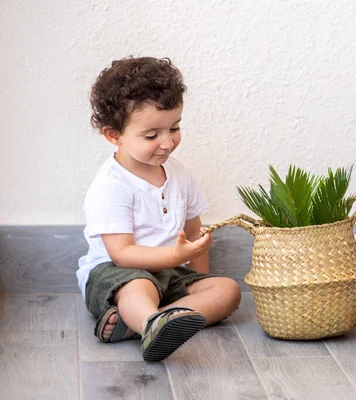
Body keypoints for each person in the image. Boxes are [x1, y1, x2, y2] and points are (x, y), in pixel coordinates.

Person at [78, 56, 241, 362]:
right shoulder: (112, 185)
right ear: (114, 135)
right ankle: (149, 319)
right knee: (139, 286)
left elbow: (195, 233)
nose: (167, 143)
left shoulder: (179, 174)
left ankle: (143, 323)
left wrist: (196, 281)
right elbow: (121, 253)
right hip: (118, 274)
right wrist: (174, 255)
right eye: (152, 136)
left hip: (170, 272)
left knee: (229, 291)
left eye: (175, 128)